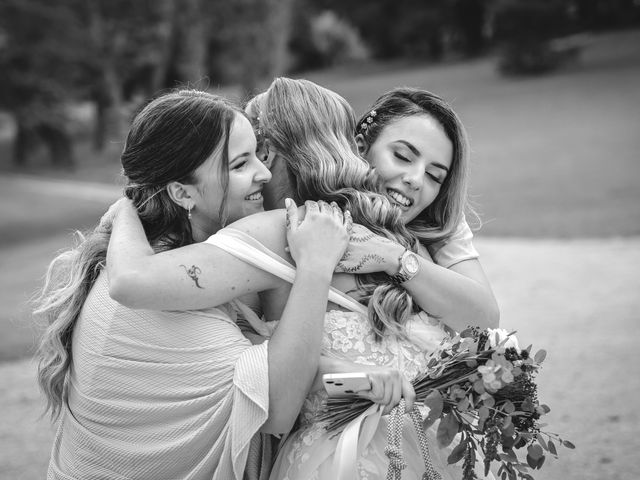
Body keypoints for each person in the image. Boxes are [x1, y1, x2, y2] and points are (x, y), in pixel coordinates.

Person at [105, 78, 495, 479]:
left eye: (435, 175)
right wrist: (126, 209)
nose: (416, 180)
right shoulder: (286, 235)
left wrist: (396, 257)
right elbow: (283, 387)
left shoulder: (406, 239)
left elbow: (484, 320)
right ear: (358, 147)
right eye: (241, 162)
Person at [33, 89, 353, 480]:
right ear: (182, 193)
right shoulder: (160, 300)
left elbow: (275, 358)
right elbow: (278, 407)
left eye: (259, 154)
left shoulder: (168, 259)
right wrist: (316, 268)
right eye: (240, 164)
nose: (264, 174)